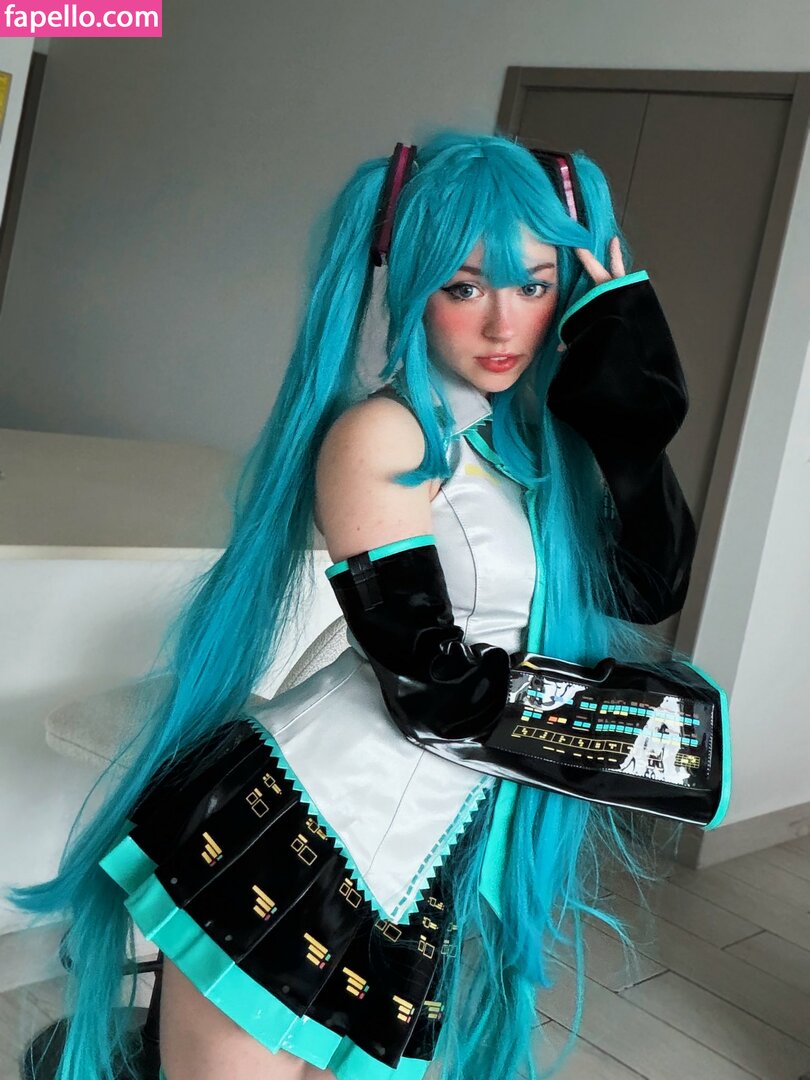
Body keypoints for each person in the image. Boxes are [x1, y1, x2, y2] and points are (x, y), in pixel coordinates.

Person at [11, 130, 705, 1080]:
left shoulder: (531, 458)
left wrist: (633, 421)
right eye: (465, 288)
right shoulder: (387, 436)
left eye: (535, 285)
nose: (503, 325)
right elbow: (433, 690)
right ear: (411, 285)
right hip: (293, 836)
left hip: (414, 875)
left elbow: (649, 585)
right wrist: (639, 738)